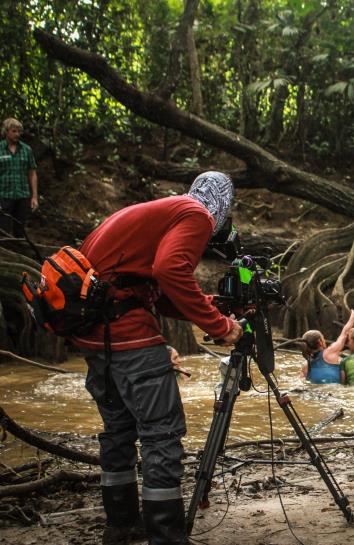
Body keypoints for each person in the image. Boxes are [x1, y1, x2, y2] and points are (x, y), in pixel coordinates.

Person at [72, 172, 242, 544]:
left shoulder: (162, 210)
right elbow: (170, 270)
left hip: (92, 329)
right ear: (222, 204)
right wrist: (221, 326)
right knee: (162, 431)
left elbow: (157, 290)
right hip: (125, 330)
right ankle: (166, 535)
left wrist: (212, 307)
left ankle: (121, 525)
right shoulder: (197, 214)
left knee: (118, 430)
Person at [300, 308, 354, 384]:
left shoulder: (305, 366)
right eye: (323, 338)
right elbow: (344, 333)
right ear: (320, 342)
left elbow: (302, 382)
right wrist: (353, 317)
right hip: (333, 393)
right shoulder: (329, 353)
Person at [0, 118, 38, 238]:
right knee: (3, 230)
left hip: (22, 196)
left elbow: (32, 173)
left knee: (20, 231)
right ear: (6, 132)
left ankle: (19, 255)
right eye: (14, 131)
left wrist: (34, 197)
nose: (17, 134)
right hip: (4, 196)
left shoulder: (26, 150)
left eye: (19, 131)